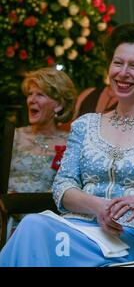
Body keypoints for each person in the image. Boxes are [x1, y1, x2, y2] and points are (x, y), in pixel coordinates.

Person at [0, 23, 134, 267]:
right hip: (74, 226)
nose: (123, 73)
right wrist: (98, 207)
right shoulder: (85, 125)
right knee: (34, 228)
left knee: (34, 229)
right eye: (118, 63)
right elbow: (63, 185)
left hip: (127, 235)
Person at [5, 67, 77, 237]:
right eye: (30, 94)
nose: (31, 100)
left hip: (48, 225)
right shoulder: (12, 136)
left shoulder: (72, 142)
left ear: (58, 105)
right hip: (5, 220)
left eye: (40, 95)